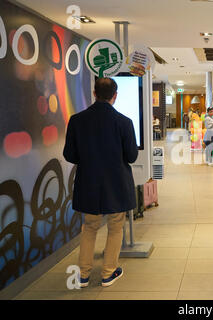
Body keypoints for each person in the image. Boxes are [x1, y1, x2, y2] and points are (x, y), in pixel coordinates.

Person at [63, 77, 138, 288]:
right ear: (115, 96)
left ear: (94, 94)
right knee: (115, 226)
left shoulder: (76, 120)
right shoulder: (124, 122)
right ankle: (108, 273)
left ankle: (83, 275)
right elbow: (131, 156)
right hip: (116, 182)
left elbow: (70, 154)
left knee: (89, 227)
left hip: (89, 181)